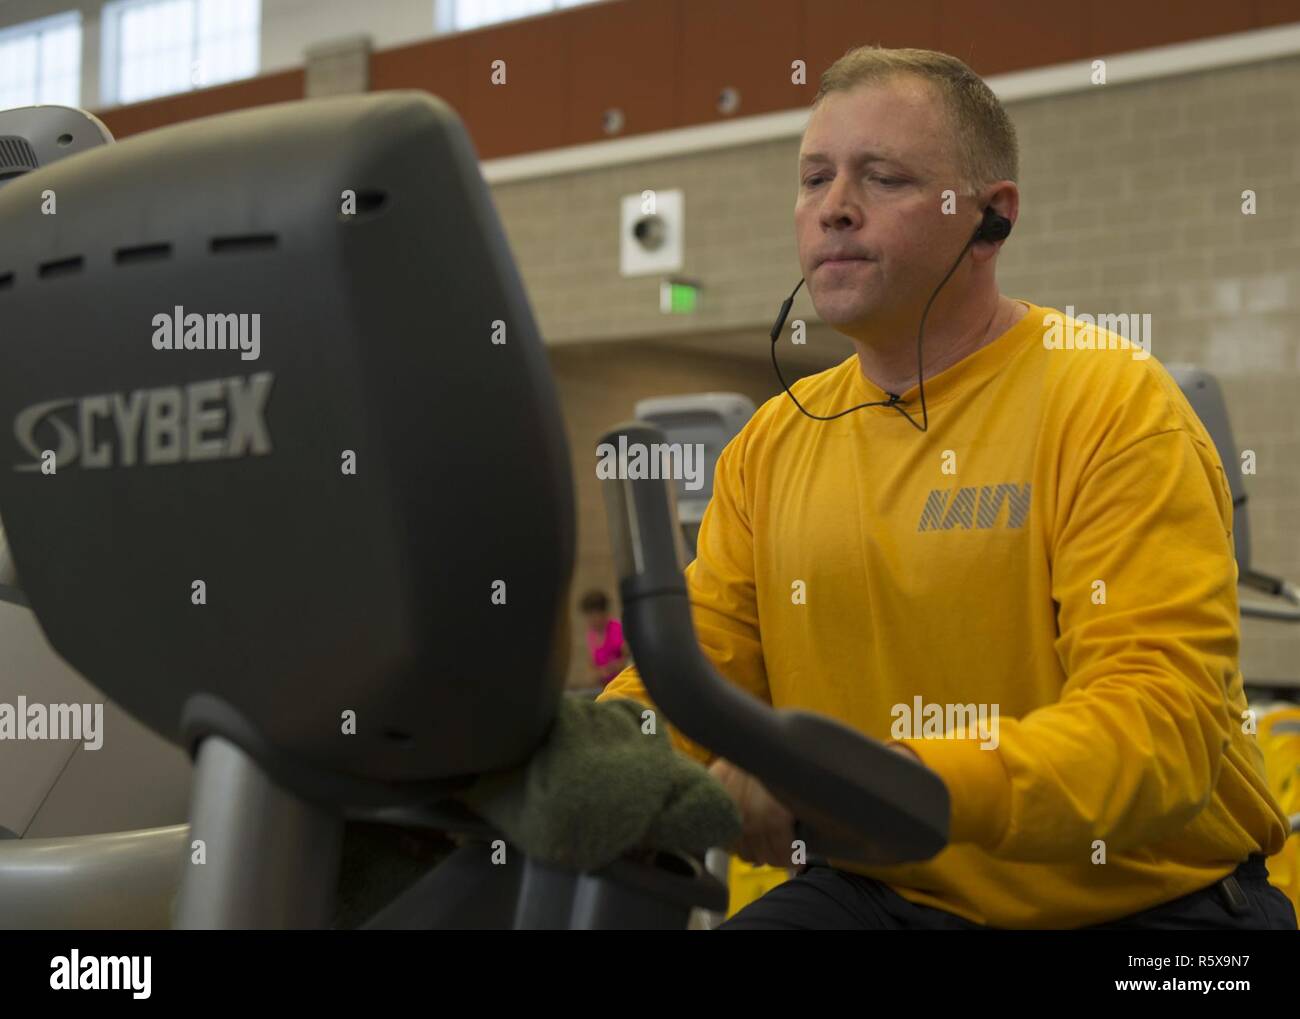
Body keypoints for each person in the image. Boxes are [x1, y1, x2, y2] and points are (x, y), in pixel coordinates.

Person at [598, 45, 1296, 930]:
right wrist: (592, 759)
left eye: (881, 177)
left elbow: (1160, 729)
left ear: (989, 219)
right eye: (815, 178)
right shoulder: (772, 443)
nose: (834, 208)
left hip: (1155, 907)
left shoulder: (1114, 406)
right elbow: (693, 673)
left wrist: (876, 785)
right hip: (891, 890)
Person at [580, 589, 629, 689]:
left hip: (623, 683)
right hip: (606, 687)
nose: (592, 621)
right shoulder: (591, 636)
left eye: (594, 616)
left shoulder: (617, 629)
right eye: (589, 617)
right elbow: (591, 668)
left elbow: (629, 659)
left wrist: (616, 666)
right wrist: (600, 673)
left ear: (604, 613)